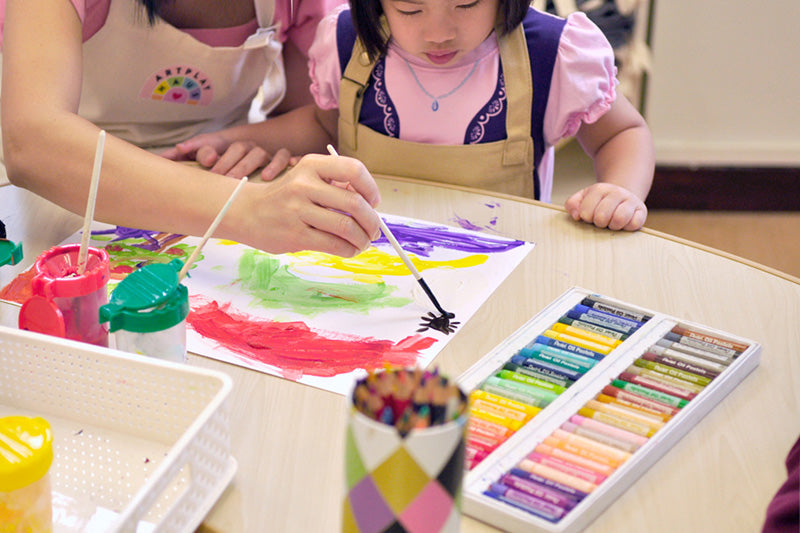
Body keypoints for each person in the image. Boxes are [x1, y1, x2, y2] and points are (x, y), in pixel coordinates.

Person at [164, 0, 655, 231]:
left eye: (466, 3)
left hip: (499, 267)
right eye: (410, 9)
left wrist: (621, 190)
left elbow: (623, 133)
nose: (438, 32)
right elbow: (322, 126)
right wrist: (243, 137)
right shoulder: (348, 43)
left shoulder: (552, 53)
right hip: (368, 264)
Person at [0, 0, 382, 258]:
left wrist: (253, 141)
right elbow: (33, 142)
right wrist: (248, 209)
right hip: (63, 206)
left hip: (218, 195)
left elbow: (317, 118)